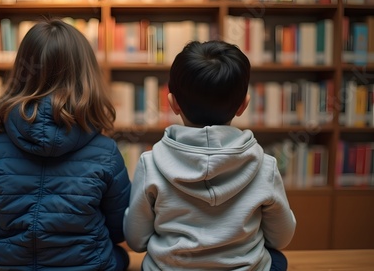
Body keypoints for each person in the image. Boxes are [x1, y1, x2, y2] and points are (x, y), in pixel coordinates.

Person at [0, 18, 131, 271]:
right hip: (87, 267)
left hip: (1, 266)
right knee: (120, 256)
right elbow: (119, 228)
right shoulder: (106, 152)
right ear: (87, 75)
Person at [123, 40, 296, 271]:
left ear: (173, 103)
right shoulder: (265, 166)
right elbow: (281, 238)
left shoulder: (150, 163)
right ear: (243, 105)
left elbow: (137, 240)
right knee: (277, 260)